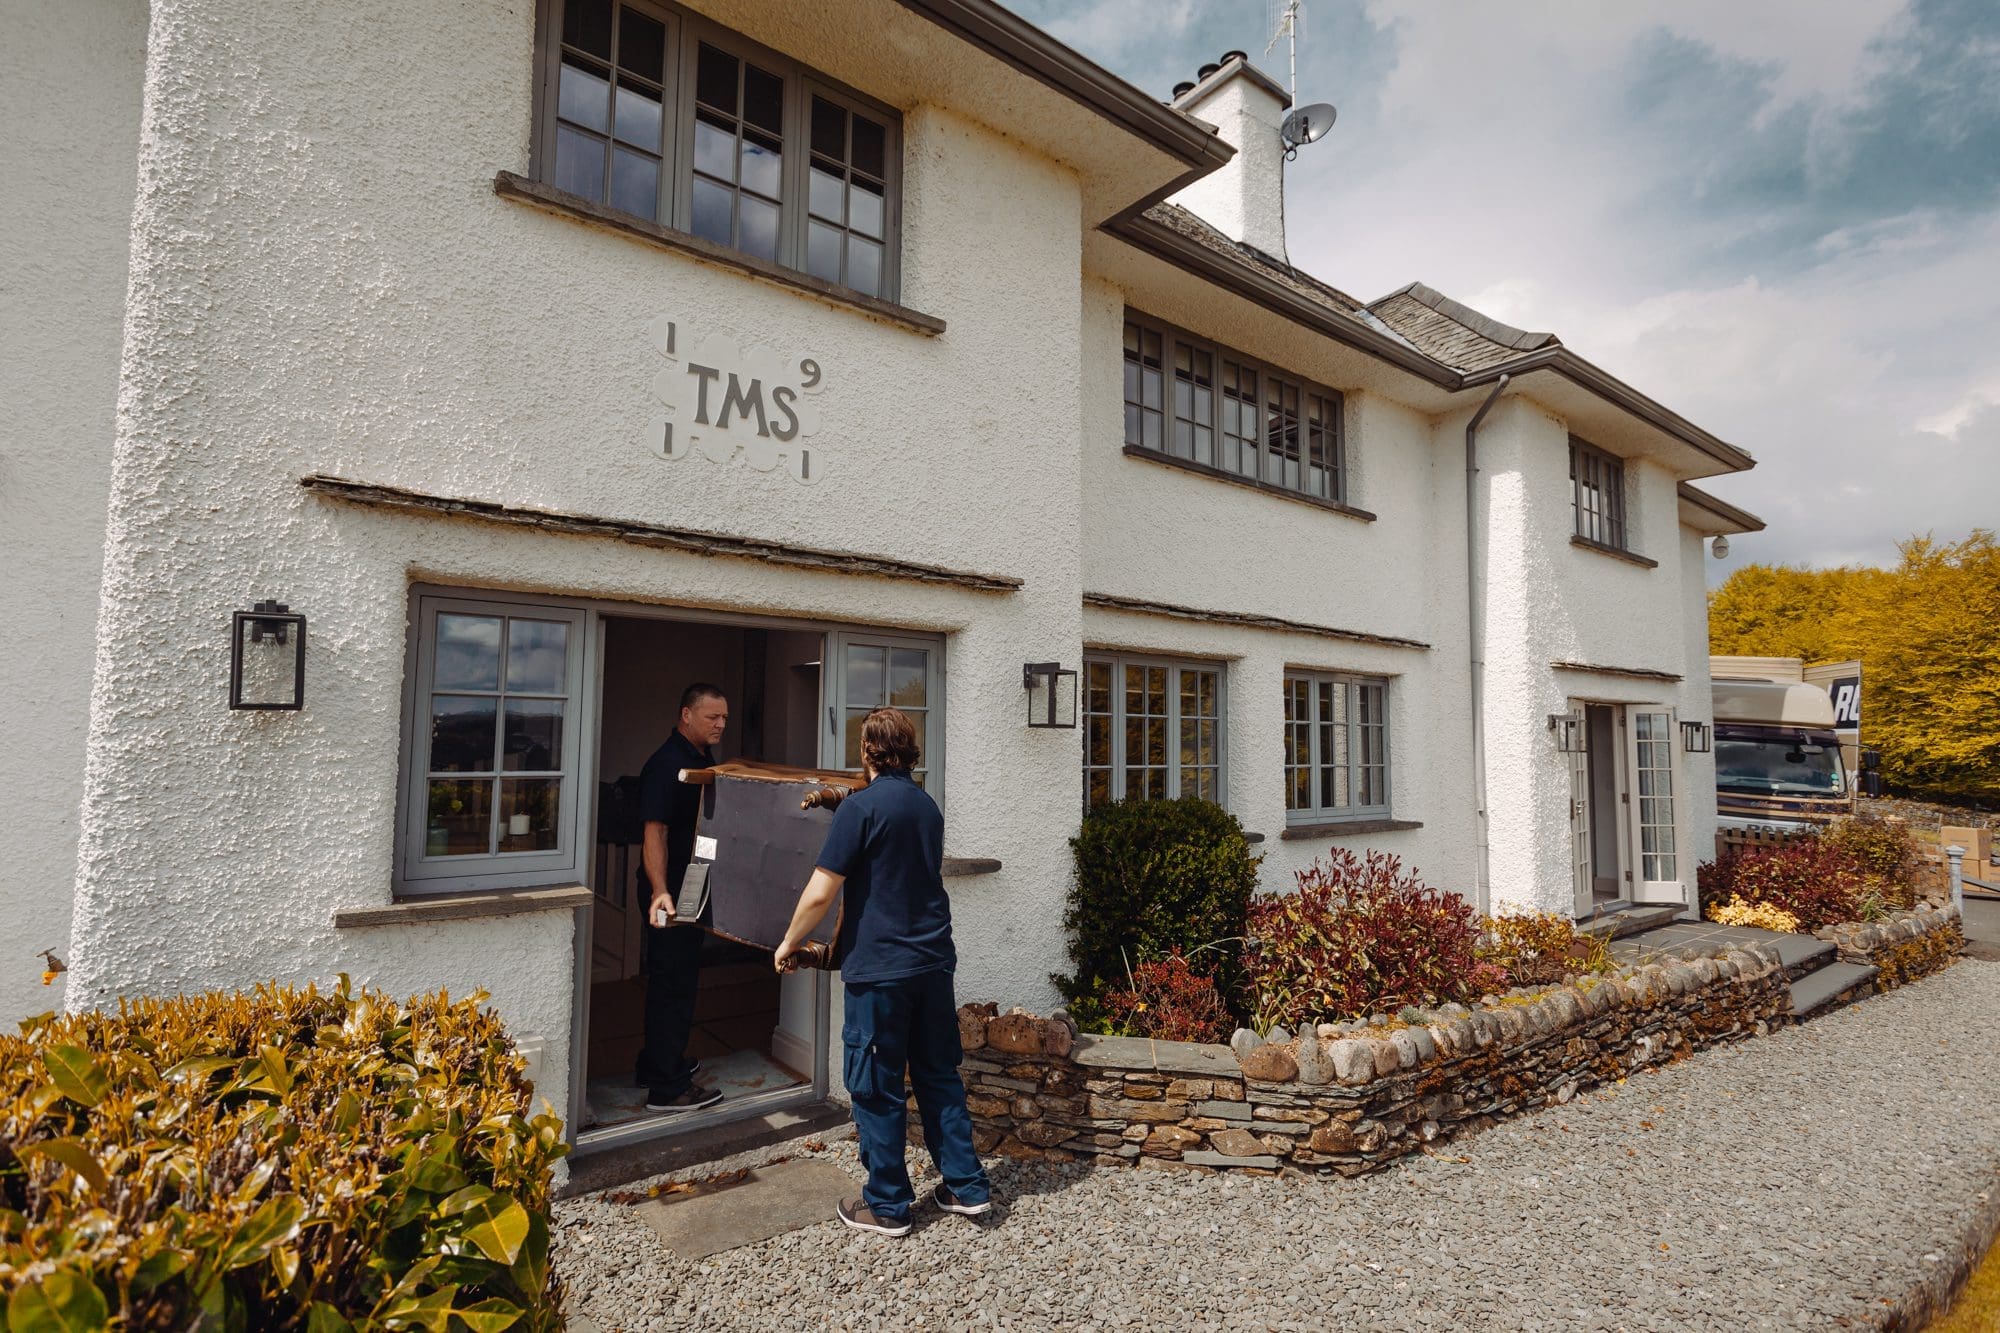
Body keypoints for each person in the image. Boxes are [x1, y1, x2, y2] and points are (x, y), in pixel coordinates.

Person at [774, 706, 992, 1236]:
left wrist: (789, 942)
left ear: (867, 751)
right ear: (910, 751)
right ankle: (966, 1188)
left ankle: (889, 1205)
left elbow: (822, 891)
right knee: (939, 1074)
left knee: (876, 1084)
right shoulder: (927, 806)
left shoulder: (862, 809)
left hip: (882, 972)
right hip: (934, 963)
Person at [636, 682, 730, 1113]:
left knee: (676, 979)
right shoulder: (667, 763)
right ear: (686, 715)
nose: (721, 724)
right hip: (670, 895)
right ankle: (667, 1088)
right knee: (672, 985)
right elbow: (654, 831)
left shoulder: (699, 757)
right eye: (712, 717)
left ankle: (656, 1064)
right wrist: (660, 891)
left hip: (690, 889)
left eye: (724, 717)